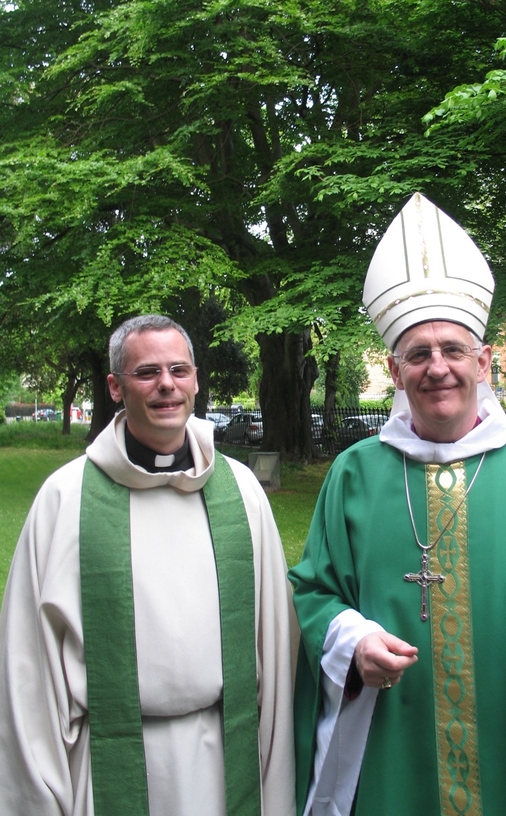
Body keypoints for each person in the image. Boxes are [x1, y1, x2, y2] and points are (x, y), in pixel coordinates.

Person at [289, 194, 506, 816]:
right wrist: (352, 643)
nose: (437, 368)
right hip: (394, 745)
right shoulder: (356, 473)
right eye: (418, 355)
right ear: (396, 373)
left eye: (453, 351)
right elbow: (312, 594)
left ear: (482, 362)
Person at [0, 315, 296, 816]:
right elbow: (29, 663)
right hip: (107, 766)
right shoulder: (67, 498)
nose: (166, 385)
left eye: (179, 370)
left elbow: (278, 641)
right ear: (116, 387)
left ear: (196, 381)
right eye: (147, 372)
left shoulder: (242, 492)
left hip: (226, 764)